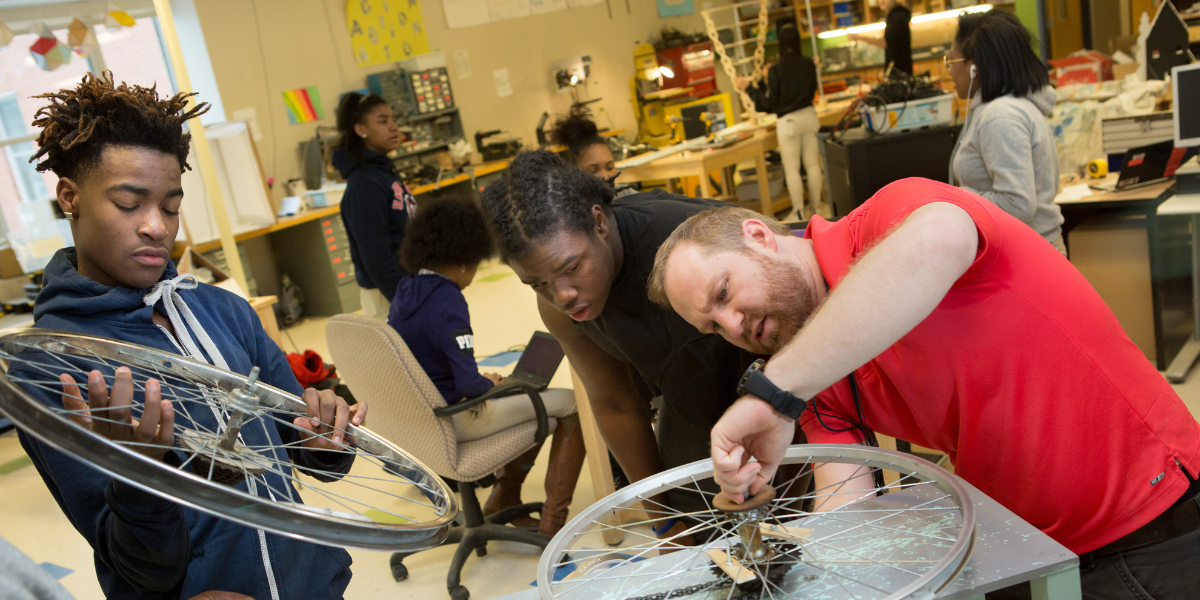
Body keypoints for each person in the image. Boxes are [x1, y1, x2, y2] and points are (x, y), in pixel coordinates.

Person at [648, 178, 1200, 599]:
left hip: (1152, 523)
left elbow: (941, 238)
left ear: (759, 237)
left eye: (724, 293)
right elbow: (850, 503)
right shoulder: (809, 373)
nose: (734, 326)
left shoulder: (891, 217)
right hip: (1027, 553)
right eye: (713, 327)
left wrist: (772, 392)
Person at [16, 72, 365, 599]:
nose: (157, 226)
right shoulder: (47, 366)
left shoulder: (225, 311)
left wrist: (325, 438)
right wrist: (141, 476)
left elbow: (303, 450)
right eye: (129, 204)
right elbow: (140, 571)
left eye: (172, 206)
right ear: (70, 196)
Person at [479, 150, 759, 540]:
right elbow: (614, 403)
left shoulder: (691, 242)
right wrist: (664, 519)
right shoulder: (561, 308)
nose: (561, 295)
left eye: (571, 267)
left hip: (785, 382)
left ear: (599, 222)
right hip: (693, 396)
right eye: (537, 284)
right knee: (695, 530)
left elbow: (794, 340)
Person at [388, 196, 586, 535]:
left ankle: (505, 496)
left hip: (421, 417)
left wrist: (483, 381)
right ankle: (553, 522)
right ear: (465, 260)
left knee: (532, 403)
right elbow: (468, 386)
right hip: (460, 416)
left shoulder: (406, 290)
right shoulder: (448, 299)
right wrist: (489, 385)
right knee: (570, 404)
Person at [946, 10, 1065, 255]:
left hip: (1030, 257)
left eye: (951, 62)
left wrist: (956, 198)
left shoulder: (1000, 116)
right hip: (1029, 252)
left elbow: (1017, 204)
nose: (949, 71)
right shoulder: (1002, 108)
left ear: (973, 68)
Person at [333, 92, 417, 320]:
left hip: (409, 285)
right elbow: (376, 257)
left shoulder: (383, 172)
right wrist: (406, 303)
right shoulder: (364, 184)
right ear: (361, 130)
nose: (394, 127)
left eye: (393, 119)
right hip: (389, 295)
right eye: (383, 121)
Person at [736, 25, 825, 219]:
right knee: (812, 165)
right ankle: (817, 209)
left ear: (780, 45)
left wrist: (749, 88)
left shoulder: (777, 69)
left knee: (792, 168)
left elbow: (768, 104)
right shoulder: (809, 64)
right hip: (810, 116)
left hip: (788, 122)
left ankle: (799, 210)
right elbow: (812, 91)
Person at [550, 105, 618, 182]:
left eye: (610, 168)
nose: (606, 177)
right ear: (574, 172)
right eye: (593, 171)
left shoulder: (628, 192)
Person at [850, 0, 912, 75]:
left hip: (899, 72)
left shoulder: (897, 16)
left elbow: (885, 42)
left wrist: (860, 38)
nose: (881, 0)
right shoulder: (896, 15)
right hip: (900, 71)